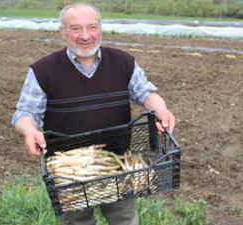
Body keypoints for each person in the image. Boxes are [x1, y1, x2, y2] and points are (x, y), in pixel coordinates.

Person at [11, 2, 175, 225]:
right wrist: (29, 130)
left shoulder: (123, 62)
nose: (85, 36)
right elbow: (25, 113)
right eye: (76, 28)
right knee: (77, 222)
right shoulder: (43, 70)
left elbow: (146, 93)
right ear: (63, 32)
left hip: (117, 166)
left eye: (92, 27)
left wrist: (161, 110)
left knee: (124, 219)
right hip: (70, 174)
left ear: (101, 29)